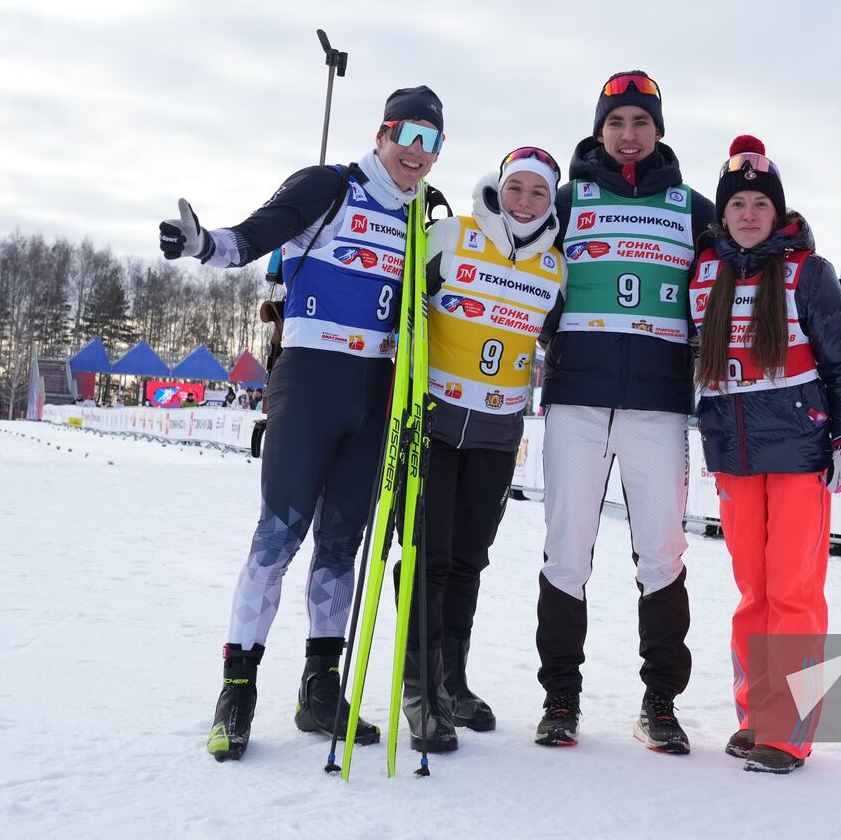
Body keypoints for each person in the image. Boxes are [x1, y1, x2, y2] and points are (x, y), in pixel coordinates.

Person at [159, 85, 445, 761]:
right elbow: (257, 233)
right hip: (311, 380)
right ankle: (237, 692)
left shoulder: (424, 219)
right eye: (407, 134)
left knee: (342, 545)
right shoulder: (332, 186)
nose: (416, 151)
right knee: (278, 537)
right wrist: (205, 246)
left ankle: (320, 691)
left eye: (431, 141)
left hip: (376, 392)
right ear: (382, 135)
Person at [534, 71, 715, 753]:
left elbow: (742, 255)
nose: (629, 135)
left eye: (641, 122)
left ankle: (661, 702)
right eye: (616, 123)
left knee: (663, 555)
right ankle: (560, 697)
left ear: (658, 130)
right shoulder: (565, 200)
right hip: (577, 401)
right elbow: (509, 257)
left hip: (657, 407)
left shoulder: (691, 206)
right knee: (567, 551)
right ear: (599, 130)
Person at [690, 135, 841, 774]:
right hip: (734, 450)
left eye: (759, 203)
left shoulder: (808, 273)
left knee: (793, 593)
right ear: (723, 212)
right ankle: (755, 713)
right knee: (752, 593)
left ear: (777, 211)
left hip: (798, 449)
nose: (747, 214)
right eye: (736, 203)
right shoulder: (704, 270)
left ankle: (787, 729)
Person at [397, 147, 567, 753]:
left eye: (539, 193)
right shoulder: (454, 234)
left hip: (498, 430)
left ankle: (451, 679)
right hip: (434, 419)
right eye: (515, 188)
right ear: (499, 189)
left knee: (469, 558)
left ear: (551, 201)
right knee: (429, 556)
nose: (524, 202)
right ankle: (420, 689)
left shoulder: (556, 268)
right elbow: (400, 304)